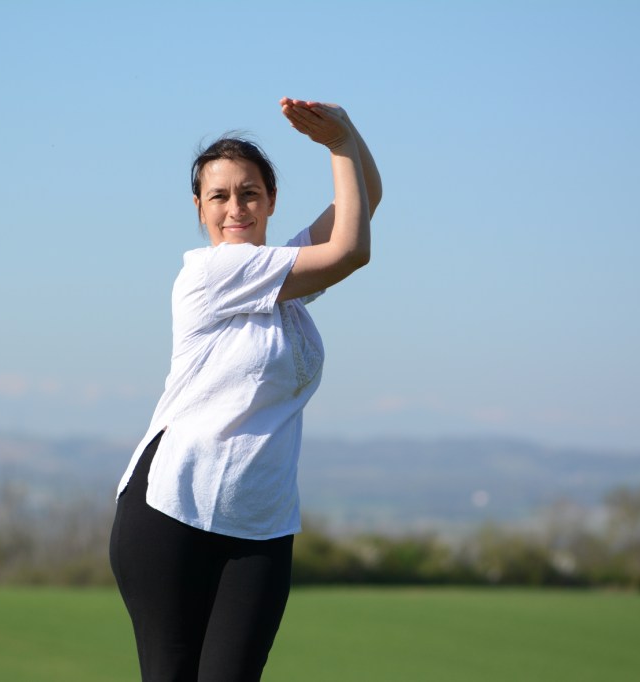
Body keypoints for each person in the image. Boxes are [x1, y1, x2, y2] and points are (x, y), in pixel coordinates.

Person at [109, 97, 382, 682]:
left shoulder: (279, 278)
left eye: (250, 193)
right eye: (220, 195)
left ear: (271, 202)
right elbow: (352, 249)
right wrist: (337, 148)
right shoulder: (212, 273)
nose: (236, 207)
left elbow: (366, 202)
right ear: (199, 209)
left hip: (260, 524)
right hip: (171, 507)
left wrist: (348, 133)